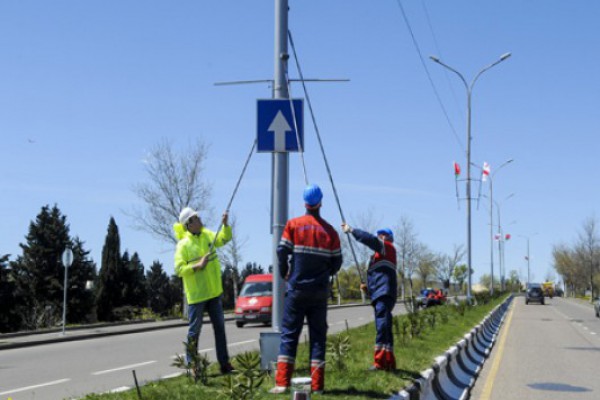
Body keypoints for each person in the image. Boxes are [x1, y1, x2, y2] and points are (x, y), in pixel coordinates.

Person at [270, 184, 343, 394]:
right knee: (318, 337)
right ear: (321, 202)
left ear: (305, 203)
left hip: (297, 289)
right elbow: (337, 262)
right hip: (319, 291)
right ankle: (318, 386)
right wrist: (325, 271)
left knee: (290, 335)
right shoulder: (330, 232)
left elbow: (281, 251)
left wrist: (286, 271)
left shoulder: (293, 225)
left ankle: (282, 383)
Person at [174, 206, 234, 374]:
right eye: (196, 218)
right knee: (194, 331)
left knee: (220, 329)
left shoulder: (207, 234)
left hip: (214, 293)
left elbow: (224, 238)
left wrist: (225, 224)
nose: (200, 220)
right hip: (197, 296)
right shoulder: (183, 245)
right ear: (189, 224)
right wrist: (197, 266)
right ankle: (193, 365)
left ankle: (224, 364)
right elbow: (178, 269)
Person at [341, 223, 397, 371]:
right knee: (385, 328)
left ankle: (380, 363)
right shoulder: (377, 257)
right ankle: (389, 362)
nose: (379, 236)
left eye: (382, 234)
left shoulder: (388, 248)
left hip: (384, 294)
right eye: (379, 234)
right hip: (381, 294)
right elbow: (380, 279)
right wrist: (367, 290)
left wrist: (352, 230)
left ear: (388, 238)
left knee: (382, 327)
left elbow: (369, 239)